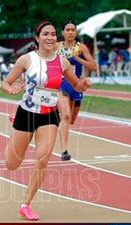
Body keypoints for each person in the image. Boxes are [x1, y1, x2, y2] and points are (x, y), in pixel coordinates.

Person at [1, 21, 91, 220]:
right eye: (45, 34)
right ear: (37, 38)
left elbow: (76, 85)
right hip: (26, 113)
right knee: (11, 164)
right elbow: (5, 84)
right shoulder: (26, 60)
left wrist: (83, 85)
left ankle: (26, 204)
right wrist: (12, 89)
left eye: (52, 34)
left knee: (42, 159)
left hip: (49, 115)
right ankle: (13, 128)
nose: (50, 37)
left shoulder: (63, 61)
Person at [56, 21, 96, 161]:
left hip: (77, 85)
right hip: (61, 84)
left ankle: (57, 116)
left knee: (71, 120)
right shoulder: (57, 47)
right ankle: (64, 150)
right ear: (63, 32)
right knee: (65, 116)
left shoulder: (81, 47)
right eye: (67, 29)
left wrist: (78, 58)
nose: (70, 32)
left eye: (73, 30)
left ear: (76, 33)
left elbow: (93, 67)